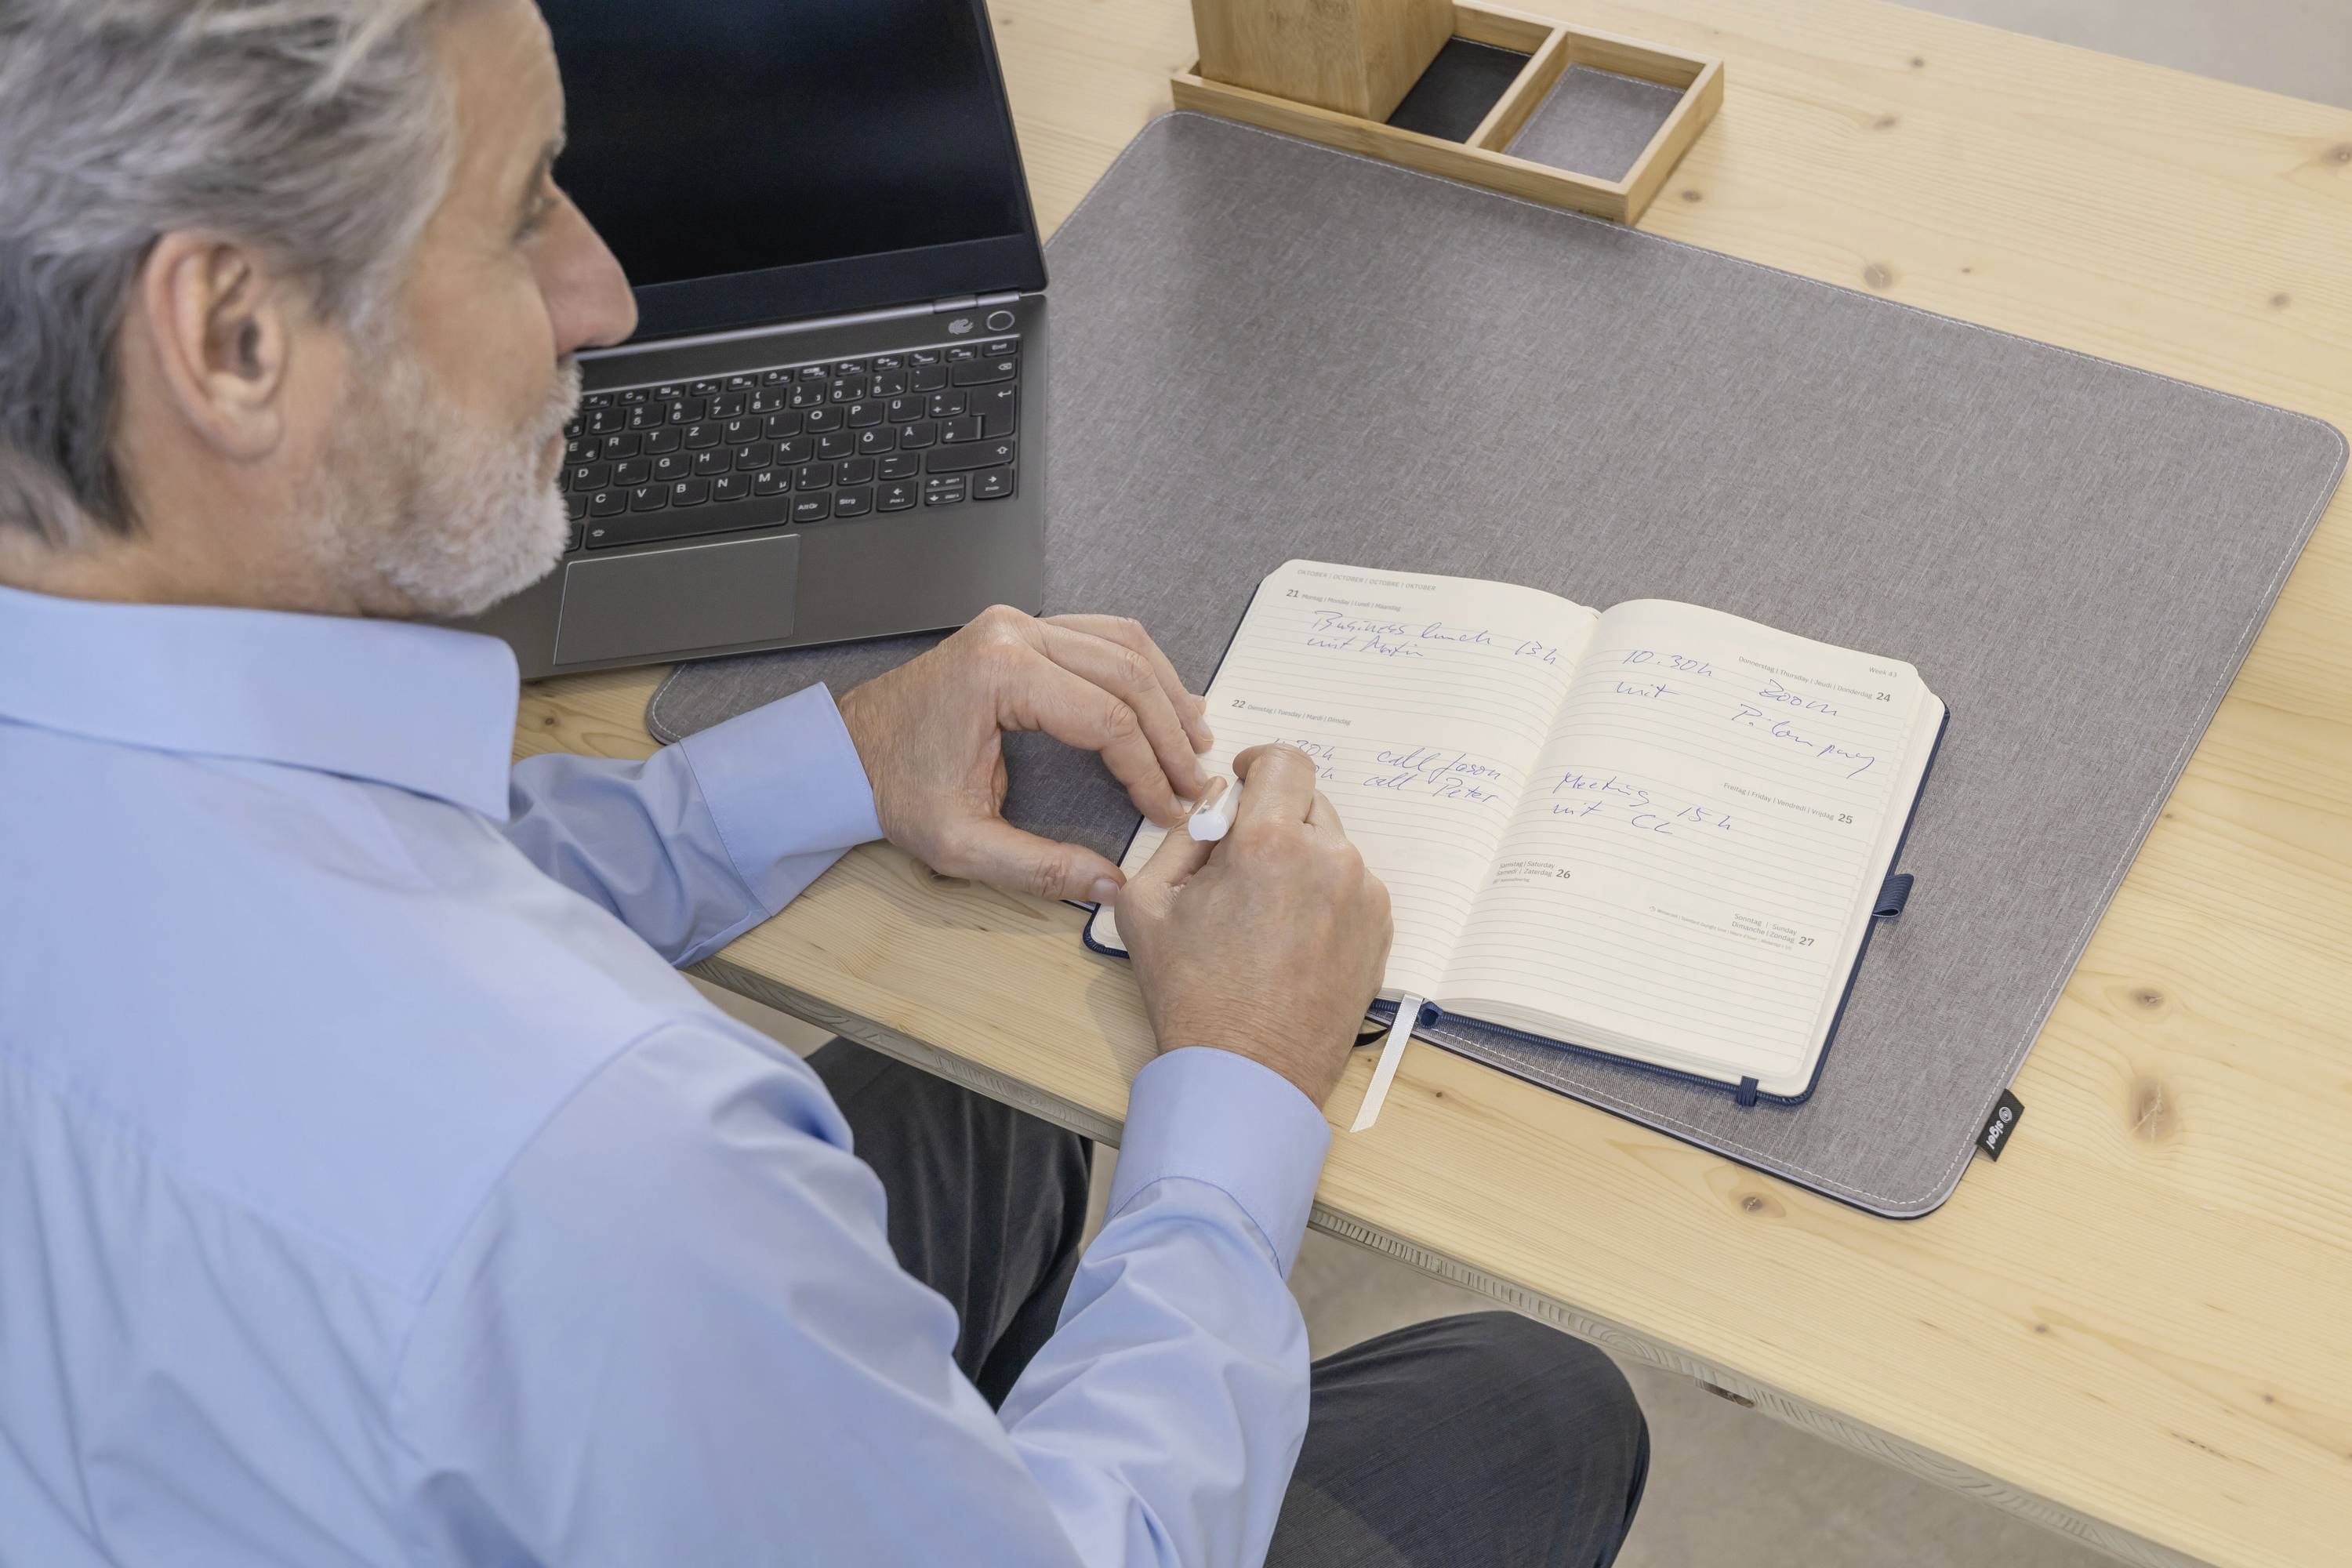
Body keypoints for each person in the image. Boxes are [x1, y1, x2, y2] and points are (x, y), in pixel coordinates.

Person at [0, 2, 1648, 1563]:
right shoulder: (607, 1174)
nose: (604, 296)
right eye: (519, 216)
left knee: (981, 1111)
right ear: (228, 338)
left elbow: (381, 874)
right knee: (1533, 1408)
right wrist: (1243, 1095)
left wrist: (846, 756)